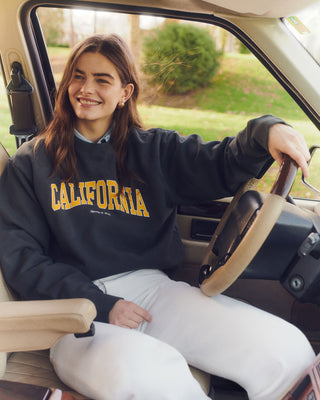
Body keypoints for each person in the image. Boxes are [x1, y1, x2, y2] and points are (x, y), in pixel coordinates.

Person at [0, 33, 315, 400]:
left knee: (284, 349)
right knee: (146, 373)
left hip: (153, 290)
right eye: (78, 76)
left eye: (103, 80)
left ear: (125, 93)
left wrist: (268, 131)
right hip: (72, 311)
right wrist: (101, 305)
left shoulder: (154, 151)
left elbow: (221, 162)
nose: (86, 88)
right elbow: (23, 259)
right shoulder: (32, 163)